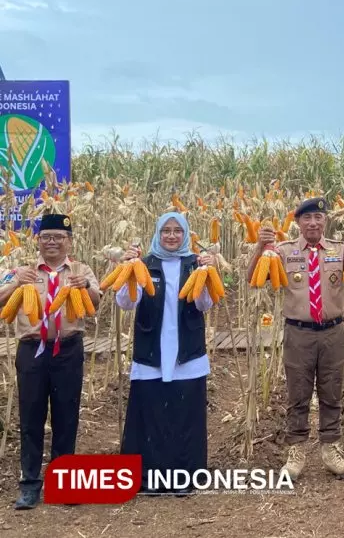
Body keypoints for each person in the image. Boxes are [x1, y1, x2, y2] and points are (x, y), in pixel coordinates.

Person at [247, 197, 344, 481]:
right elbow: (253, 279)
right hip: (298, 333)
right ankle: (297, 452)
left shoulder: (340, 250)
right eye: (307, 218)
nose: (313, 223)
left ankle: (331, 451)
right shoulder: (283, 251)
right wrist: (259, 247)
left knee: (331, 391)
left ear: (325, 220)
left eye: (318, 217)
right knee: (298, 393)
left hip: (332, 332)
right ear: (298, 222)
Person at [0, 214, 101, 510]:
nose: (52, 242)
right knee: (31, 418)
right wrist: (15, 282)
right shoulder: (23, 271)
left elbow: (95, 304)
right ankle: (30, 485)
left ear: (69, 241)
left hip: (68, 350)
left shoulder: (81, 270)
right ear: (38, 241)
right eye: (47, 237)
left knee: (66, 417)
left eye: (59, 237)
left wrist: (86, 288)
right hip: (31, 350)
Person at [116, 211, 217, 496]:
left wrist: (207, 274)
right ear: (157, 234)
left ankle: (186, 477)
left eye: (177, 231)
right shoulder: (145, 264)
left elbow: (204, 305)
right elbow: (125, 302)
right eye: (166, 231)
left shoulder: (194, 263)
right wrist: (128, 269)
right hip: (151, 352)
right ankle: (150, 479)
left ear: (185, 234)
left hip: (187, 353)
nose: (171, 236)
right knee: (152, 417)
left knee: (186, 417)